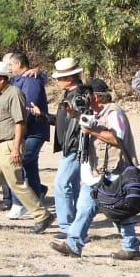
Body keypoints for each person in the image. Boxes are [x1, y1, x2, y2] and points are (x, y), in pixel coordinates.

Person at [53, 81, 140, 259]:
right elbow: (89, 124)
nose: (83, 98)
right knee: (84, 207)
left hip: (115, 172)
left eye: (86, 95)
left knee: (118, 209)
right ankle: (73, 244)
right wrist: (74, 114)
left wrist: (91, 131)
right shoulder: (94, 113)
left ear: (95, 96)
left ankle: (131, 247)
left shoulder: (114, 113)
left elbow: (117, 139)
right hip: (97, 172)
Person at [0, 60, 53, 233]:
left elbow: (20, 123)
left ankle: (42, 215)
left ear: (2, 79)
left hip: (8, 145)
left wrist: (15, 148)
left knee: (16, 183)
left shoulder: (14, 94)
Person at [3, 53, 51, 220]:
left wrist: (18, 129)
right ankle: (35, 203)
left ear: (19, 64)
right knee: (30, 168)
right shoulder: (18, 80)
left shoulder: (31, 80)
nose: (9, 68)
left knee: (17, 163)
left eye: (11, 65)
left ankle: (20, 204)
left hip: (33, 130)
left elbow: (27, 107)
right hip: (28, 131)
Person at [49, 57, 91, 235]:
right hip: (72, 145)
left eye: (59, 78)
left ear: (69, 79)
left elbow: (82, 120)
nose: (57, 81)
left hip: (75, 146)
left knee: (62, 184)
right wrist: (43, 116)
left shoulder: (79, 95)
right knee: (71, 186)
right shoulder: (72, 94)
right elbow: (65, 121)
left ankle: (68, 227)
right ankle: (74, 226)